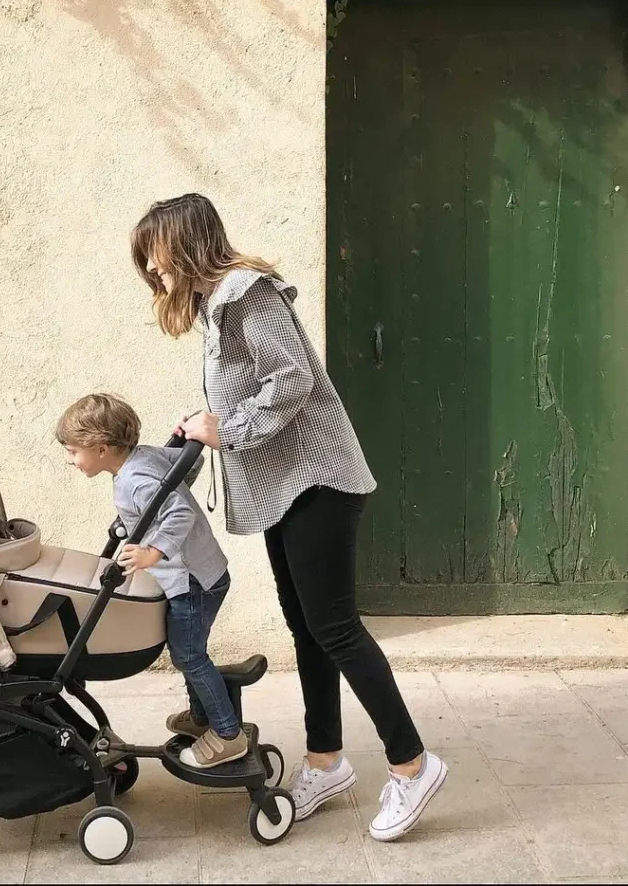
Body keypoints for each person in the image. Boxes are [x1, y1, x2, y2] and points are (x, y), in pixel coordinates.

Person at [130, 193, 448, 841]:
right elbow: (248, 391)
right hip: (287, 488)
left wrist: (231, 427)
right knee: (309, 631)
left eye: (154, 255)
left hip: (318, 482)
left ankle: (412, 764)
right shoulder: (214, 308)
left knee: (335, 628)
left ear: (185, 242)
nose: (151, 269)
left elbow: (292, 377)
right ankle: (326, 762)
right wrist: (203, 425)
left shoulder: (246, 293)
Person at [55, 392, 248, 768]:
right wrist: (180, 444)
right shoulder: (144, 456)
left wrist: (152, 552)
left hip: (192, 581)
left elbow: (178, 513)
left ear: (102, 448)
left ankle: (228, 734)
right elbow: (184, 474)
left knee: (189, 655)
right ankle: (202, 717)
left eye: (74, 451)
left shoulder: (135, 478)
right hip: (204, 572)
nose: (70, 460)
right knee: (187, 651)